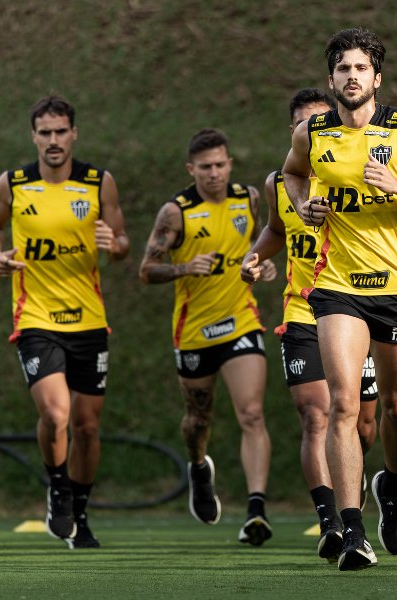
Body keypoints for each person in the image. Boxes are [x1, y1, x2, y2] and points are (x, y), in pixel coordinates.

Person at [281, 28, 397, 570]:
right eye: (343, 69)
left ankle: (394, 488)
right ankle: (352, 532)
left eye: (361, 69)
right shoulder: (312, 134)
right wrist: (305, 205)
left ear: (377, 78)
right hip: (336, 287)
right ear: (331, 78)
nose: (352, 77)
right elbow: (291, 175)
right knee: (341, 403)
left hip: (396, 290)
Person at [0, 96, 130, 549]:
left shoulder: (98, 182)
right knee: (55, 413)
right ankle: (57, 485)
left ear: (73, 134)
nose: (53, 141)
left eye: (60, 131)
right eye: (44, 133)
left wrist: (114, 243)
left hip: (88, 320)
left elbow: (122, 241)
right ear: (33, 137)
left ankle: (79, 515)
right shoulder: (14, 183)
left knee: (86, 426)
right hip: (36, 318)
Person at [241, 88, 381, 562]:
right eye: (305, 124)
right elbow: (276, 232)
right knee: (316, 413)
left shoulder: (361, 172)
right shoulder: (281, 182)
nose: (316, 130)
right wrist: (254, 258)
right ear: (295, 133)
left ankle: (362, 492)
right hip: (303, 311)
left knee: (364, 423)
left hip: (358, 306)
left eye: (323, 121)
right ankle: (332, 522)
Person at [139, 128, 275, 546]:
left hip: (241, 322)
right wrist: (184, 268)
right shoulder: (175, 213)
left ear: (229, 164)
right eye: (205, 167)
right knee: (198, 420)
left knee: (251, 413)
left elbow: (263, 244)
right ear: (191, 169)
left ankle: (256, 511)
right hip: (194, 332)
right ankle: (199, 467)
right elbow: (147, 269)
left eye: (220, 164)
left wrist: (262, 267)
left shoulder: (249, 198)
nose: (213, 173)